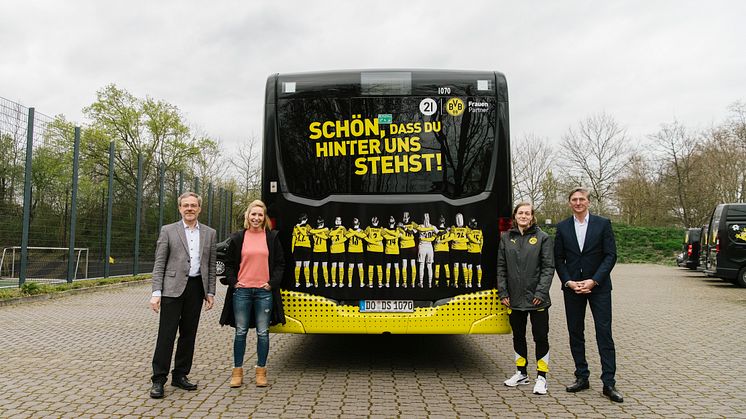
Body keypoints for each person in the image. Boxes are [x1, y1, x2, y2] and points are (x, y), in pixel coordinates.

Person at [554, 187, 623, 403]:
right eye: (574, 199)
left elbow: (611, 255)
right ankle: (582, 376)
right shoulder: (563, 227)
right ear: (569, 203)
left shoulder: (603, 224)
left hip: (599, 287)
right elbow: (559, 259)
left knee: (604, 333)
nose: (578, 202)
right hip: (573, 288)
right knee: (576, 333)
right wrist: (568, 282)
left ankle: (609, 383)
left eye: (581, 199)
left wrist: (594, 280)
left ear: (588, 202)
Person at [149, 192, 216, 399]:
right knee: (166, 335)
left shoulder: (210, 233)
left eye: (193, 205)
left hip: (196, 289)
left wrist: (210, 291)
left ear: (199, 209)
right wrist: (156, 292)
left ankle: (180, 375)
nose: (189, 208)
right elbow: (159, 263)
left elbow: (211, 265)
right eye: (185, 205)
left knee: (188, 335)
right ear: (179, 208)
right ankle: (159, 380)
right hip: (171, 289)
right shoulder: (168, 231)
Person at [219, 200, 286, 388]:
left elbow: (280, 264)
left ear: (264, 218)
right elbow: (230, 264)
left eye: (260, 215)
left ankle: (261, 372)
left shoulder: (271, 238)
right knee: (240, 332)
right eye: (253, 214)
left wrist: (272, 284)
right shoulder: (238, 237)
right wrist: (234, 283)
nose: (256, 218)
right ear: (247, 216)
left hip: (264, 292)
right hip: (242, 292)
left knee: (263, 333)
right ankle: (237, 372)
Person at [497, 202, 554, 395]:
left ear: (532, 217)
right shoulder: (506, 238)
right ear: (515, 216)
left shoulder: (543, 238)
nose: (523, 216)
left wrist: (540, 293)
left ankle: (541, 377)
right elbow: (501, 268)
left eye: (527, 213)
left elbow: (548, 268)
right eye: (520, 212)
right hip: (513, 299)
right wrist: (503, 293)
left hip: (537, 300)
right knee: (518, 336)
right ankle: (521, 373)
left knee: (540, 337)